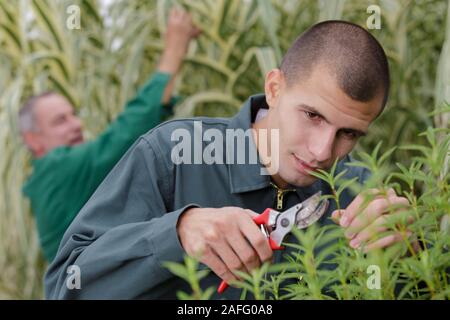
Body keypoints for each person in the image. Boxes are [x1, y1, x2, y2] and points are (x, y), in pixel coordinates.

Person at [45, 20, 414, 299]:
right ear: (274, 88)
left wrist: (408, 254)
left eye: (348, 134)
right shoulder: (174, 153)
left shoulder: (362, 192)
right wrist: (176, 234)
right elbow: (65, 285)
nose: (322, 152)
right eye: (312, 116)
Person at [20, 8, 200, 262]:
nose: (76, 125)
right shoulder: (56, 168)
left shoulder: (51, 181)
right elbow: (123, 135)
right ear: (32, 139)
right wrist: (174, 49)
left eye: (74, 115)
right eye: (60, 121)